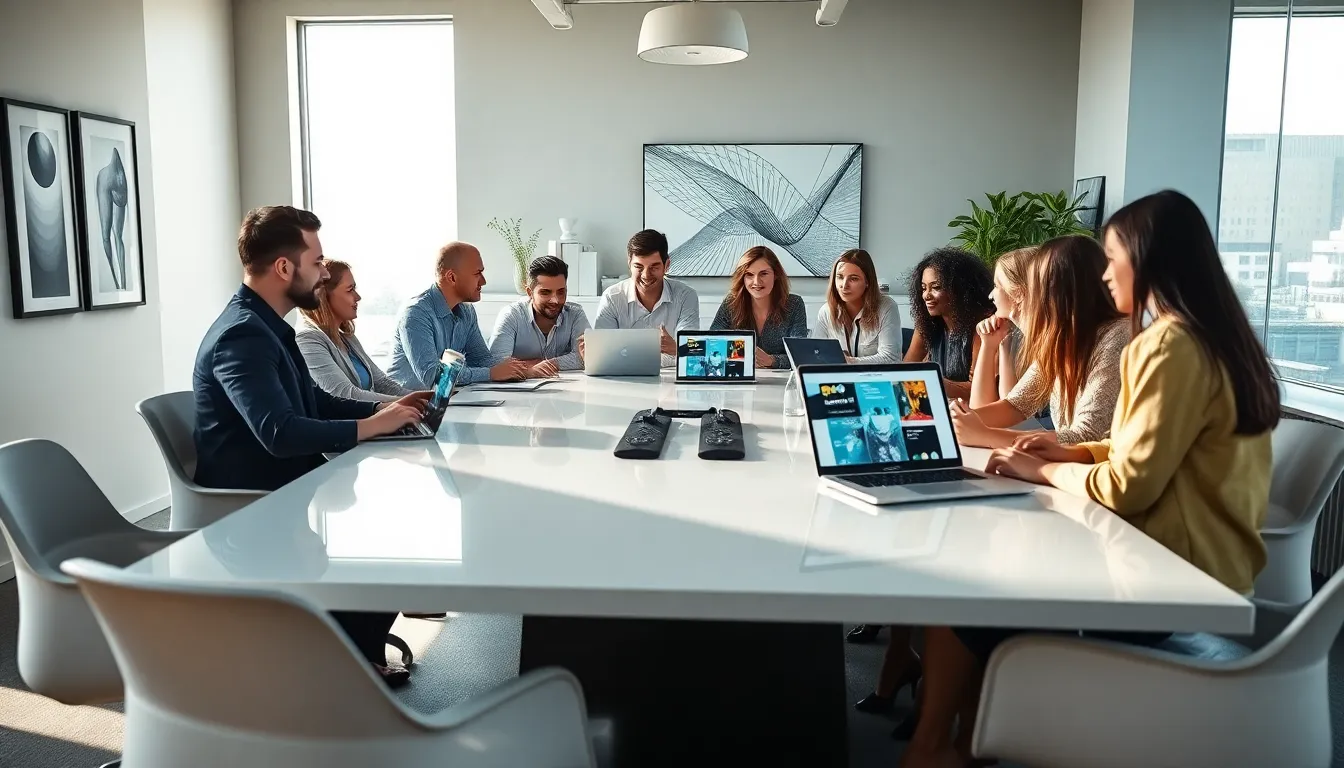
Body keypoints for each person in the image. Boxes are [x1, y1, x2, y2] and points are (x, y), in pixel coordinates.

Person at [901, 190, 1279, 768]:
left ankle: (939, 749)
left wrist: (1043, 467)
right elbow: (1137, 448)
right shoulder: (1211, 336)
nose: (1105, 274)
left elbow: (1129, 486)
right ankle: (962, 747)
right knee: (984, 595)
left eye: (1113, 258)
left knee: (972, 597)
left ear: (1146, 261)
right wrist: (1065, 451)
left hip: (1170, 578)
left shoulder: (1164, 346)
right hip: (1210, 568)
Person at [193, 205, 433, 688]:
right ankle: (346, 661)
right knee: (389, 540)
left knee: (397, 527)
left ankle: (352, 652)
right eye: (318, 261)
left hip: (291, 487)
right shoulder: (243, 334)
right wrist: (371, 426)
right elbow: (279, 432)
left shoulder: (270, 326)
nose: (324, 272)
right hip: (256, 507)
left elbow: (315, 402)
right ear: (285, 267)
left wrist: (386, 413)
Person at [951, 235, 1130, 449]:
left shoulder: (1117, 337)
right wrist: (953, 422)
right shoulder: (1061, 338)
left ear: (1058, 289)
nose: (1032, 294)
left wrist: (985, 435)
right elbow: (1016, 405)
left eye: (1036, 284)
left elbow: (1087, 436)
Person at [387, 241, 529, 389]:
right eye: (477, 273)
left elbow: (481, 360)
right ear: (452, 277)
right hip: (406, 400)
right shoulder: (415, 314)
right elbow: (433, 377)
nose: (483, 281)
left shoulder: (467, 311)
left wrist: (524, 370)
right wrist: (491, 373)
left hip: (449, 398)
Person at [297, 259, 412, 403]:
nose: (358, 297)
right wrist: (407, 403)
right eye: (350, 290)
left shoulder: (347, 338)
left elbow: (382, 383)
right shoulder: (308, 340)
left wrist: (425, 398)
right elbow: (344, 394)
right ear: (324, 296)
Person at [590, 229, 700, 367]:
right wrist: (676, 351)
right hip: (624, 377)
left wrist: (677, 349)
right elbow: (602, 354)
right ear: (629, 264)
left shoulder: (686, 296)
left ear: (666, 266)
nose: (646, 275)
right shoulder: (612, 298)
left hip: (669, 378)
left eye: (654, 267)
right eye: (639, 267)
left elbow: (692, 351)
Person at [904, 248, 995, 400]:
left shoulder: (983, 326)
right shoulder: (926, 324)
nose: (926, 295)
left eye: (936, 287)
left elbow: (978, 390)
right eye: (923, 288)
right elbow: (907, 368)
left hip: (971, 410)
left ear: (960, 289)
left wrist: (932, 380)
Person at [488, 255, 590, 375]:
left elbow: (585, 357)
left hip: (565, 384)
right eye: (545, 293)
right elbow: (498, 365)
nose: (555, 300)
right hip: (519, 385)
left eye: (561, 292)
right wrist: (531, 370)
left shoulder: (575, 314)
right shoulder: (511, 316)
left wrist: (544, 364)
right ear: (530, 292)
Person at [709, 245, 808, 369]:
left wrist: (772, 361)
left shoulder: (794, 304)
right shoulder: (731, 303)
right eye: (749, 274)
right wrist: (739, 356)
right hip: (739, 376)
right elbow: (712, 344)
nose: (756, 282)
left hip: (781, 380)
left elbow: (800, 356)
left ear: (776, 275)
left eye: (764, 274)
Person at [967, 247, 1036, 406]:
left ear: (1018, 293)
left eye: (997, 286)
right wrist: (990, 344)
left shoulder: (1047, 342)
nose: (991, 295)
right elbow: (985, 406)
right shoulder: (1014, 334)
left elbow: (1010, 410)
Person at [813, 249, 901, 363]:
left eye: (853, 279)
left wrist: (847, 361)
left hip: (874, 374)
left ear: (867, 282)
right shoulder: (826, 311)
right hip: (837, 374)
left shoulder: (887, 307)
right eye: (840, 277)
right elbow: (815, 355)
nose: (844, 285)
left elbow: (891, 358)